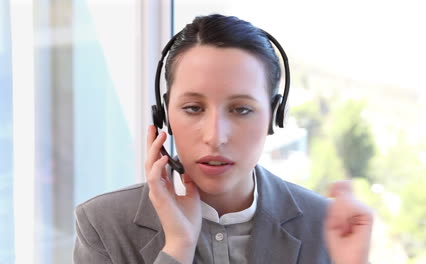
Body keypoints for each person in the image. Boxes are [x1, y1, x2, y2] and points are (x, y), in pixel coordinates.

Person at [73, 14, 373, 264]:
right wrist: (177, 247)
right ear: (164, 115)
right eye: (193, 108)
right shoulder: (103, 225)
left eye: (241, 109)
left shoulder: (323, 226)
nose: (215, 137)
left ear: (274, 115)